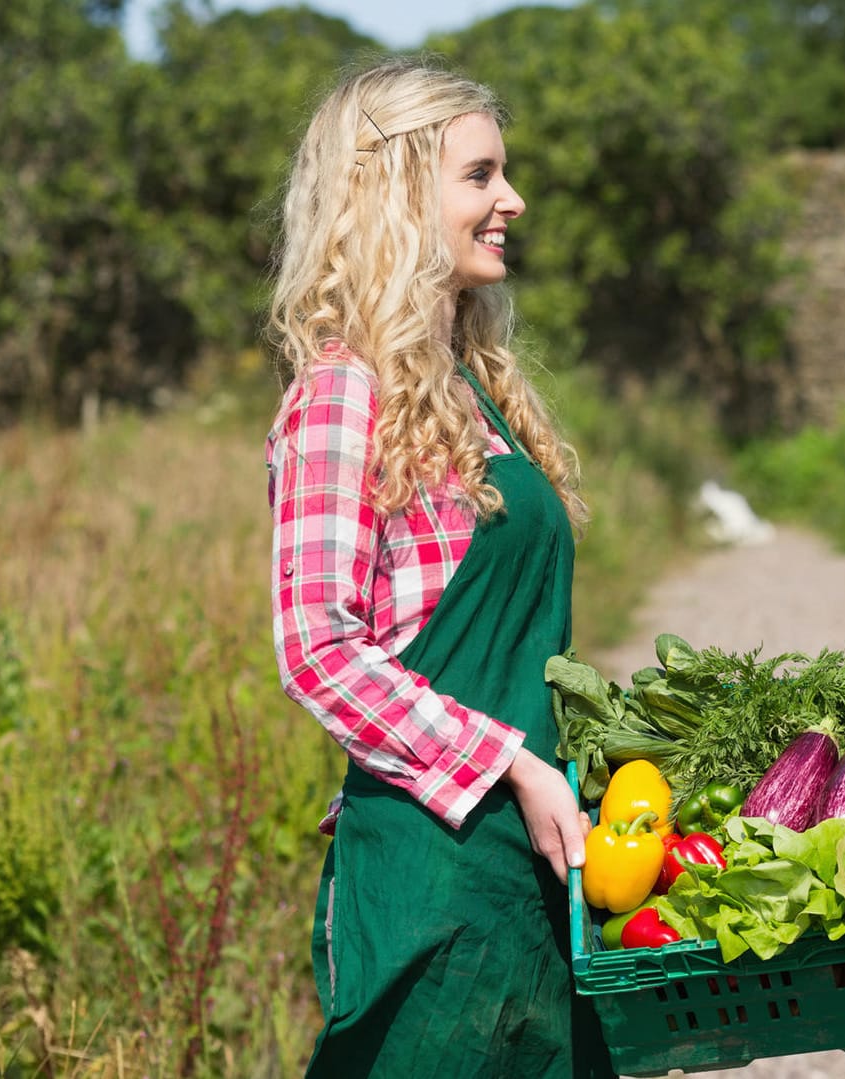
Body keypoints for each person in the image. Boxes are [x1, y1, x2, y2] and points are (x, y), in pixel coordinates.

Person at [265, 58, 613, 1078]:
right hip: (434, 877)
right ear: (398, 193)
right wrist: (512, 760)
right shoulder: (342, 395)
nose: (512, 200)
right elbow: (317, 648)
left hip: (531, 866)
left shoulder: (470, 391)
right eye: (481, 175)